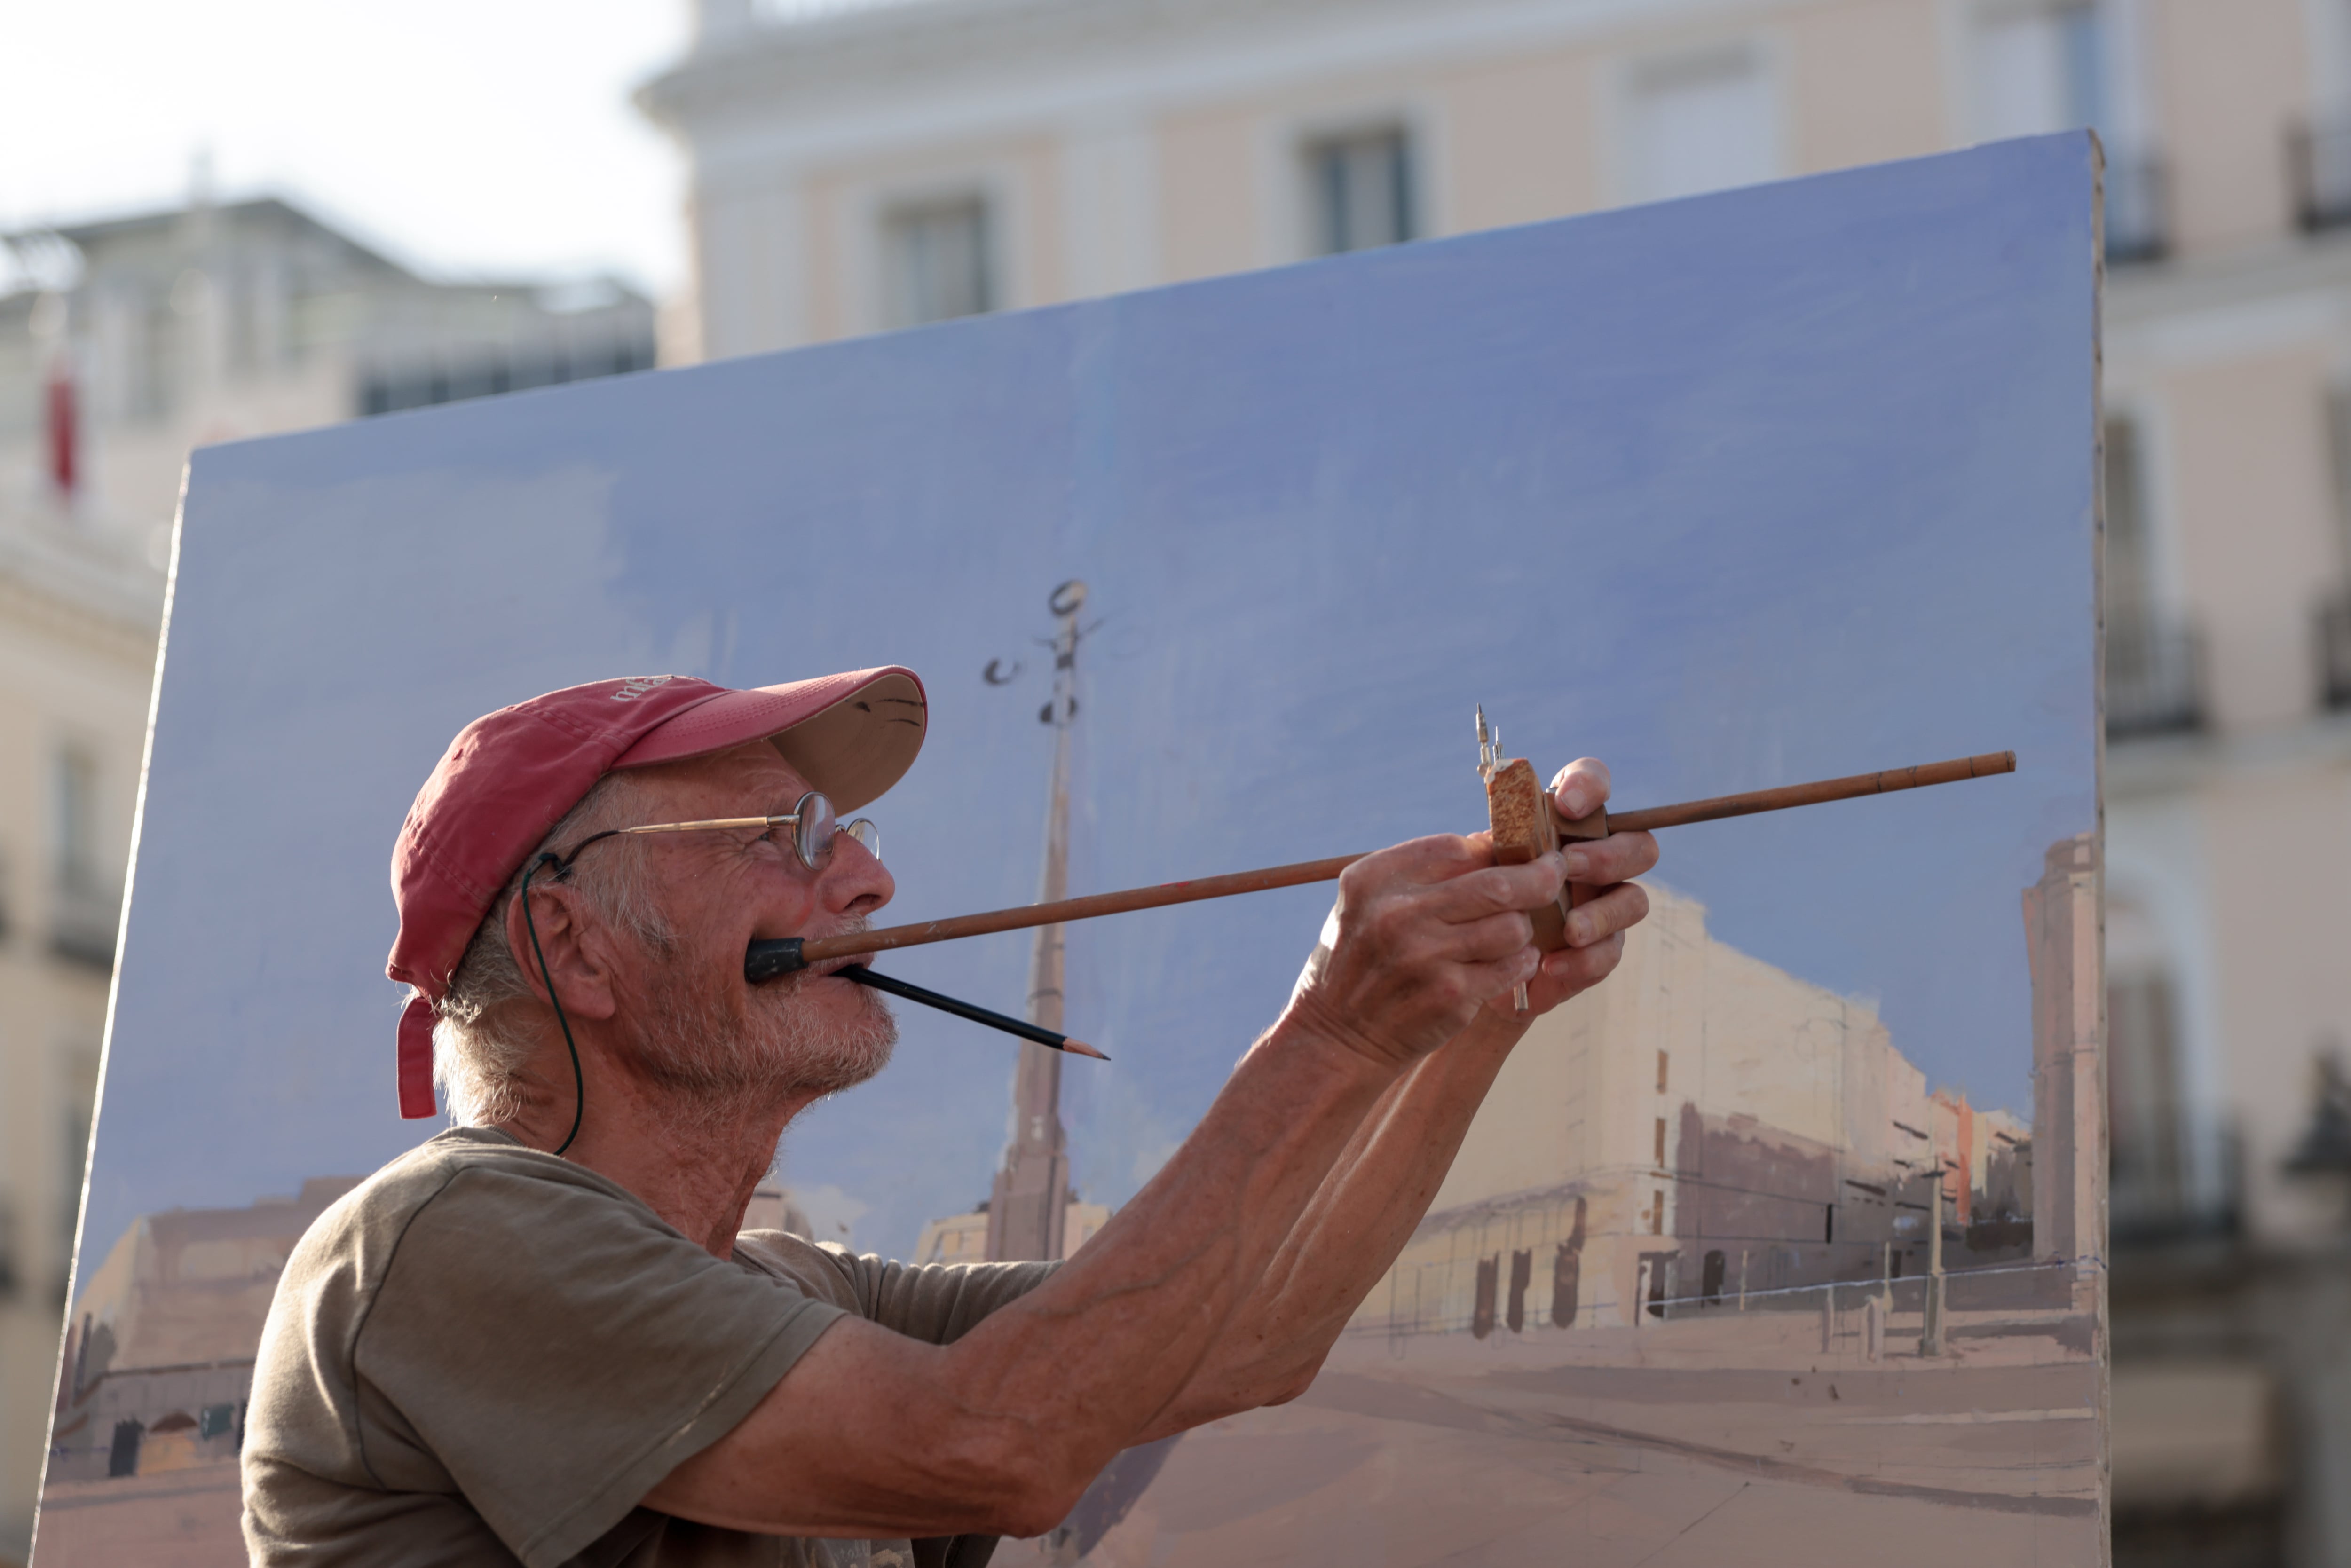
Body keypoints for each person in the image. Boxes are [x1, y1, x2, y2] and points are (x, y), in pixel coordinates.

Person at [241, 667, 1657, 1568]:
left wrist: (1477, 1007)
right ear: (579, 946)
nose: (867, 883)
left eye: (851, 836)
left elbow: (1250, 1332)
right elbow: (996, 1447)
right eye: (789, 839)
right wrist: (1336, 1027)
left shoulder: (788, 1291)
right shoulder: (442, 1236)